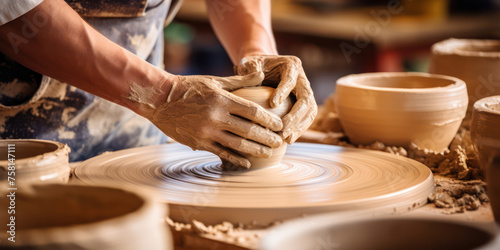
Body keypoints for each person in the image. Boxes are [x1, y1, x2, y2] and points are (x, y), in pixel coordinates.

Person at [0, 0, 317, 168]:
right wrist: (164, 95)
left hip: (138, 132)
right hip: (22, 149)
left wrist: (256, 50)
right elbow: (16, 11)